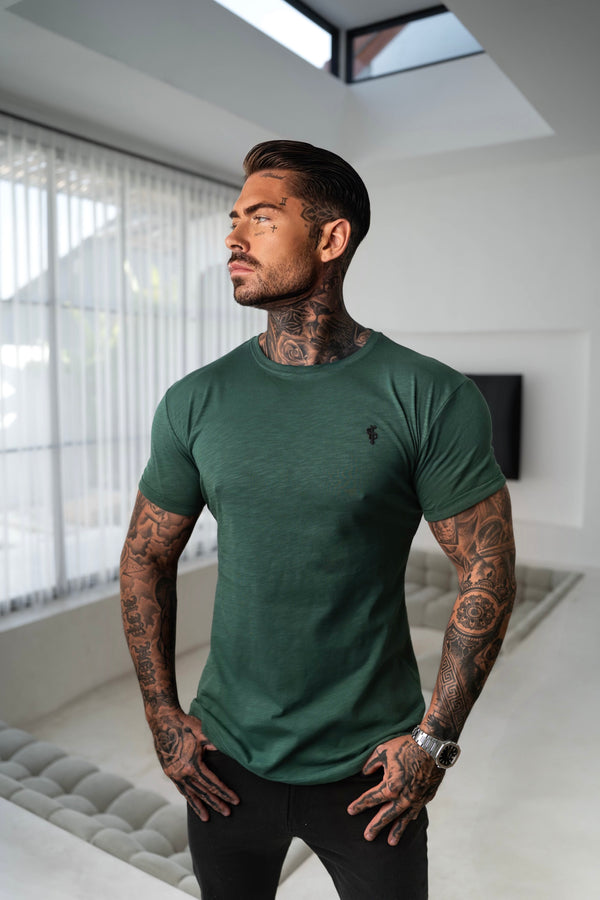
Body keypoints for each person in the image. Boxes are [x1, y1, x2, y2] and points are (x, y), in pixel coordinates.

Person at [120, 140, 516, 900]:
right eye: (234, 218)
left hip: (374, 772)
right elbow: (145, 555)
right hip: (223, 765)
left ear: (332, 239)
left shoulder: (429, 396)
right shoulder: (195, 401)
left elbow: (487, 568)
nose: (233, 237)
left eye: (262, 219)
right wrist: (162, 714)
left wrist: (433, 742)